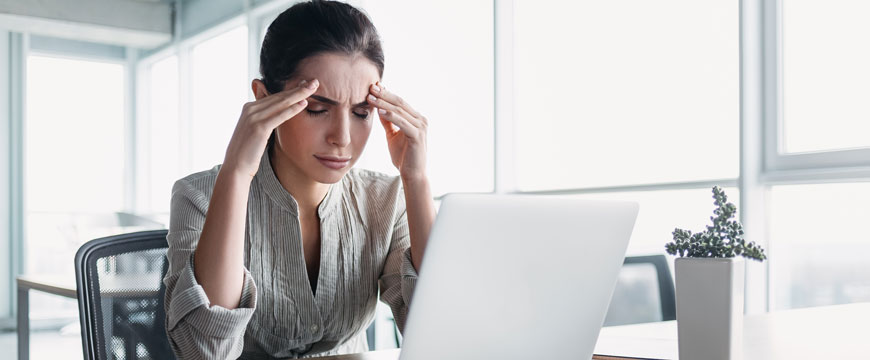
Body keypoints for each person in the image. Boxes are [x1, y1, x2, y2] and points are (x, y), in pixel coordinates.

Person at [162, 1, 435, 358]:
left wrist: (416, 180)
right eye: (317, 109)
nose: (342, 137)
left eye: (361, 112)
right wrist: (236, 173)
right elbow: (205, 352)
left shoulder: (386, 199)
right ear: (264, 99)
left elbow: (437, 332)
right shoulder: (198, 196)